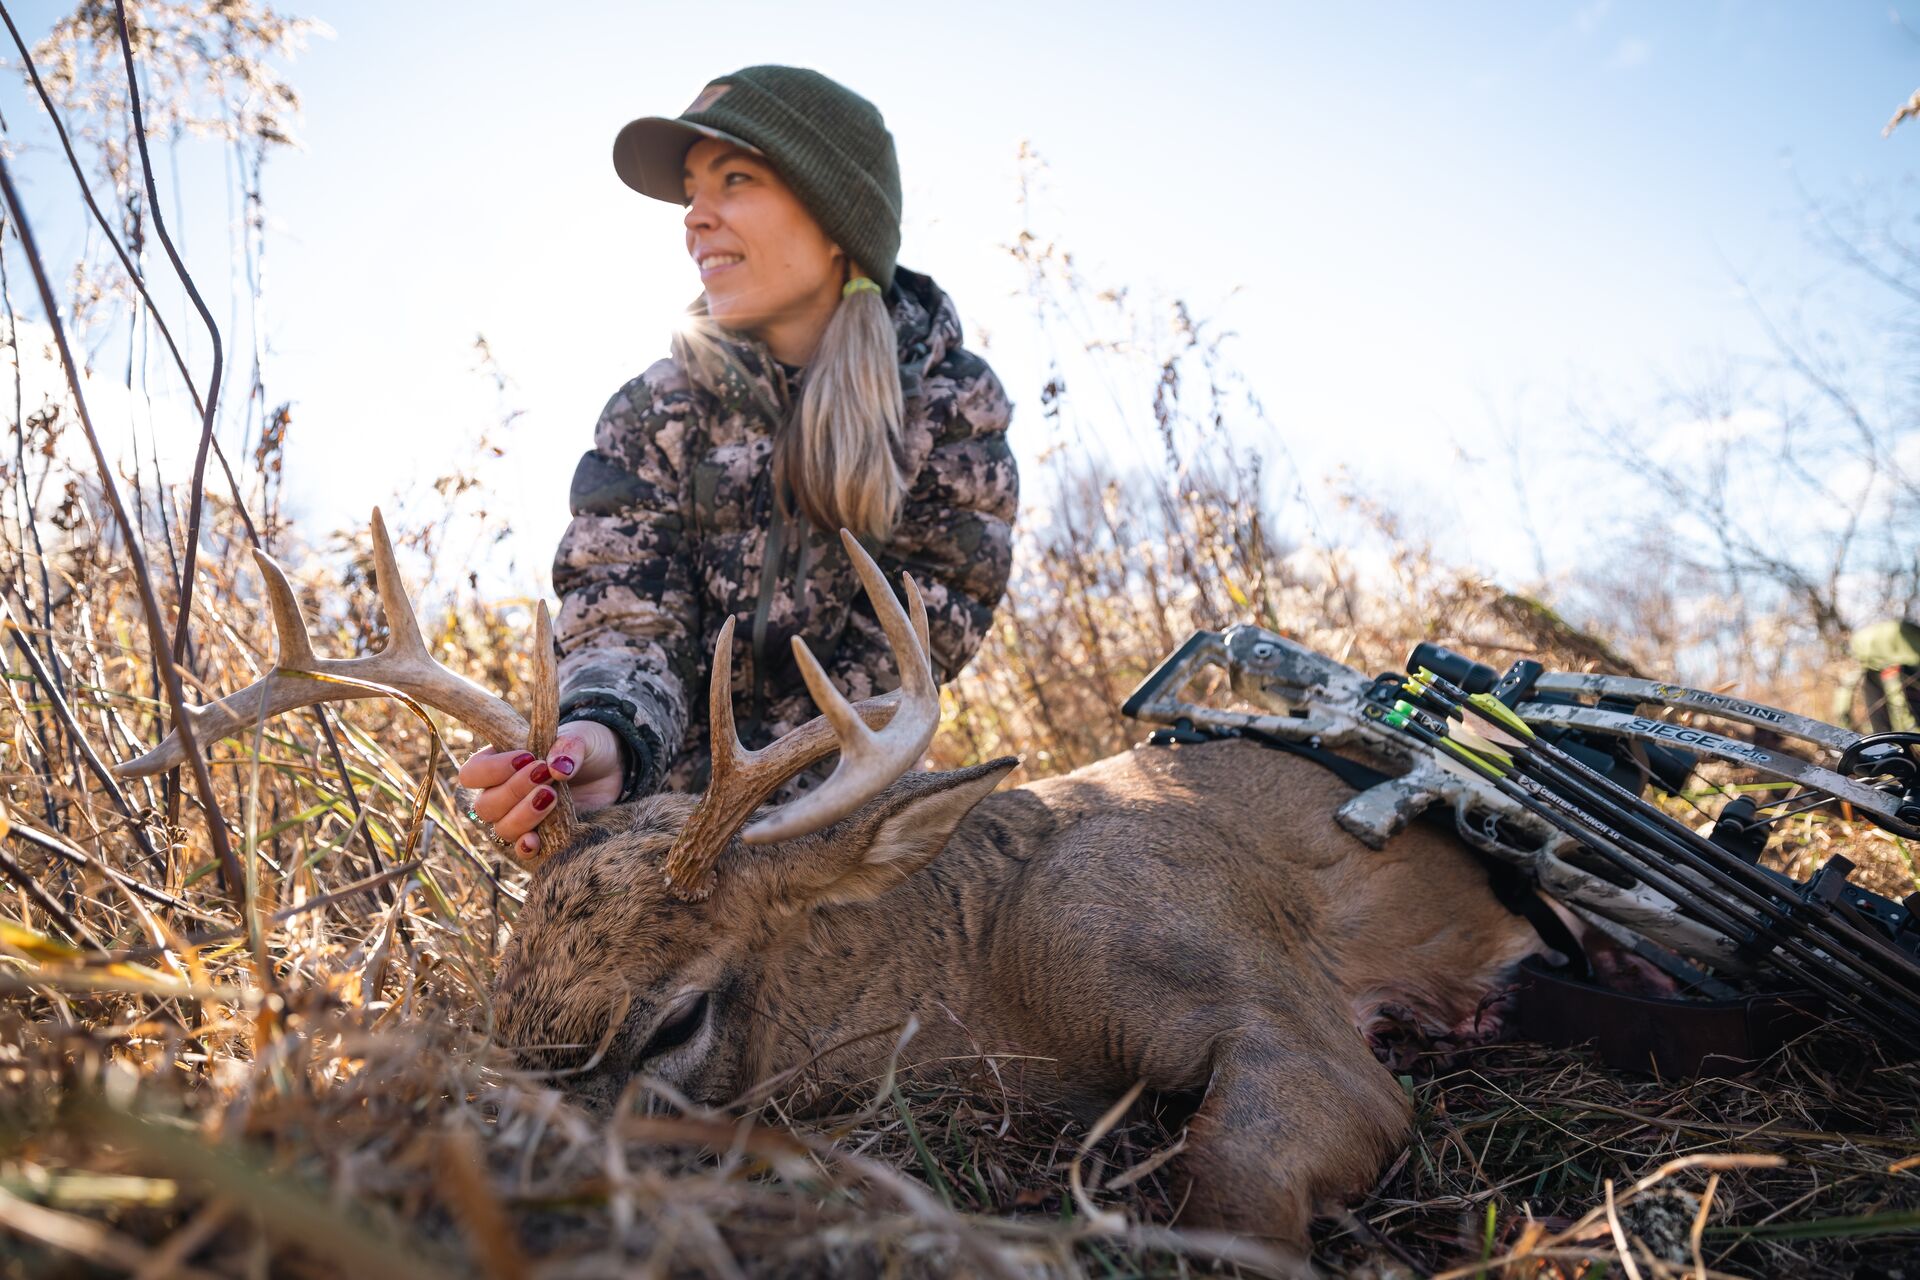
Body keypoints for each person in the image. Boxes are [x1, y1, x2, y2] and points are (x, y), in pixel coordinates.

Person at [459, 66, 1018, 858]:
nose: (695, 218)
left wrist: (763, 831)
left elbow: (894, 674)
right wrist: (605, 740)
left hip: (835, 834)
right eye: (690, 192)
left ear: (835, 220)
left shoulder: (949, 409)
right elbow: (625, 622)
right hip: (657, 830)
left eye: (735, 179)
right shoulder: (654, 411)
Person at [1832, 618, 1920, 734]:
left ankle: (1891, 738)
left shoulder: (1860, 645)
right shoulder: (1863, 652)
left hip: (1901, 655)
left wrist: (1844, 728)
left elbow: (1844, 698)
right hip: (1900, 653)